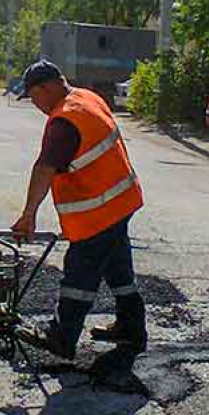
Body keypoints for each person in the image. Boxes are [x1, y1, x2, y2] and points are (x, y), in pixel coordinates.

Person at [11, 60, 147, 358]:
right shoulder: (87, 97)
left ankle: (62, 336)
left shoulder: (64, 120)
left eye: (33, 97)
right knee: (117, 267)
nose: (35, 105)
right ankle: (132, 327)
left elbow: (45, 168)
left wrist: (28, 214)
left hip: (98, 211)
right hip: (122, 200)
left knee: (79, 273)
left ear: (46, 88)